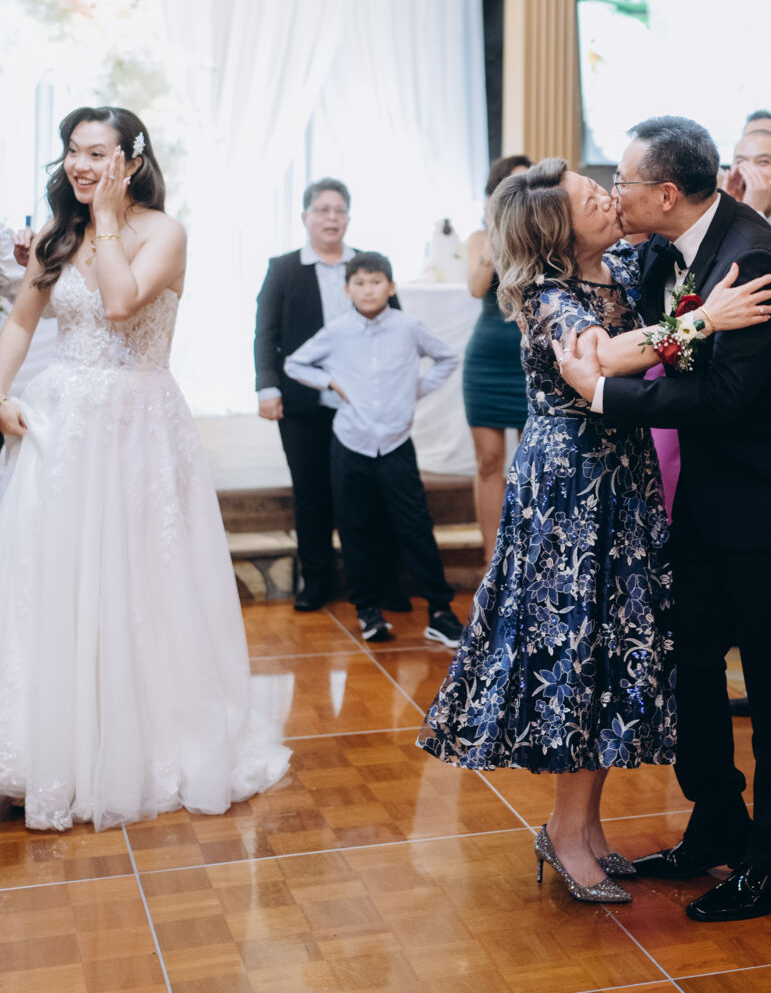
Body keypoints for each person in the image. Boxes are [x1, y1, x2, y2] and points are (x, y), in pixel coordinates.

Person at [420, 157, 771, 904]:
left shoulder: (623, 266)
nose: (611, 200)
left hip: (624, 478)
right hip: (570, 489)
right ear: (559, 230)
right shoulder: (548, 295)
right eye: (592, 199)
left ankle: (583, 827)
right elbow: (606, 357)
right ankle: (565, 830)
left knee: (612, 656)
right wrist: (707, 318)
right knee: (578, 655)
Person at [557, 115, 771, 923]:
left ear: (665, 193)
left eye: (622, 182)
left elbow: (722, 398)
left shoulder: (754, 260)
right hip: (711, 501)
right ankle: (718, 819)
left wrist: (605, 395)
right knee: (687, 669)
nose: (614, 193)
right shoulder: (662, 249)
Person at [0, 105, 290, 830]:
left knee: (139, 579)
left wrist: (103, 220)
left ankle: (137, 743)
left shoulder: (165, 233)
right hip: (61, 426)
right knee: (52, 578)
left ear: (131, 161)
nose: (80, 165)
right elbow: (22, 322)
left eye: (97, 153)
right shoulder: (56, 235)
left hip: (137, 425)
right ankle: (47, 745)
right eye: (73, 151)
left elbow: (121, 304)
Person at [284, 252, 462, 647]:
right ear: (347, 290)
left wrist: (414, 391)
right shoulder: (337, 331)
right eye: (360, 284)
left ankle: (440, 611)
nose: (368, 290)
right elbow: (295, 364)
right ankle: (367, 609)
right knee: (354, 527)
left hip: (396, 443)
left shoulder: (408, 327)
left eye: (376, 282)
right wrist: (330, 383)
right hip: (352, 442)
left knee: (416, 526)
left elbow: (447, 358)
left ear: (391, 287)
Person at [254, 177, 400, 612]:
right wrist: (267, 387)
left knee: (368, 493)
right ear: (305, 217)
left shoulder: (367, 265)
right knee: (311, 492)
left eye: (339, 211)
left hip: (364, 403)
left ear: (348, 218)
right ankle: (316, 580)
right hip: (304, 400)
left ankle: (375, 582)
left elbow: (395, 327)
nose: (331, 218)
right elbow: (266, 332)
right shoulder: (284, 268)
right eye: (322, 210)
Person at [463, 154, 532, 568]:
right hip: (487, 358)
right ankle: (491, 565)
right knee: (489, 461)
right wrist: (495, 230)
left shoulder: (546, 234)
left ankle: (525, 561)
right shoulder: (480, 237)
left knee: (530, 462)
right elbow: (476, 287)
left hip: (532, 356)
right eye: (512, 185)